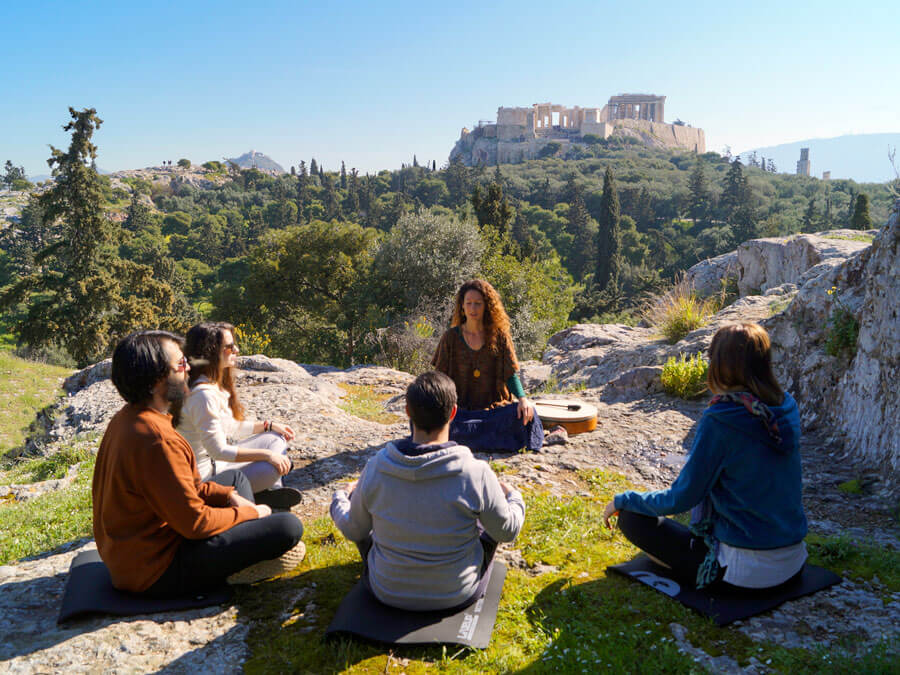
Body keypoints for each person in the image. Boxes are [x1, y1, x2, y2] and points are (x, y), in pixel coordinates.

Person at [92, 330, 305, 596]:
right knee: (288, 527)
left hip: (137, 553)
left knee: (234, 482)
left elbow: (188, 487)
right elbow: (195, 524)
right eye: (181, 364)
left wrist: (229, 498)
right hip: (156, 569)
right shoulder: (157, 440)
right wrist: (253, 512)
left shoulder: (130, 418)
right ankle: (243, 558)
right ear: (157, 379)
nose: (189, 369)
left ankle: (246, 544)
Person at [603, 323, 808, 590]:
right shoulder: (786, 406)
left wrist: (624, 499)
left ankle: (702, 569)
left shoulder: (722, 419)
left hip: (745, 572)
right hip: (793, 560)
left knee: (631, 518)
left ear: (719, 366)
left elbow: (683, 498)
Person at [330, 370, 525, 611]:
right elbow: (507, 531)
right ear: (454, 412)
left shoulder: (377, 467)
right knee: (488, 518)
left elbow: (353, 529)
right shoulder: (476, 473)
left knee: (364, 512)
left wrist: (341, 497)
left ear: (407, 411)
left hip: (386, 589)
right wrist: (513, 497)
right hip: (456, 592)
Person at [172, 322, 301, 508]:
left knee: (276, 439)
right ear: (211, 352)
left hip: (219, 467)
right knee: (272, 466)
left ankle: (269, 493)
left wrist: (268, 425)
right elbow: (219, 451)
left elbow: (231, 428)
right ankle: (262, 495)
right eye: (230, 347)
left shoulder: (208, 385)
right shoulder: (203, 395)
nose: (237, 350)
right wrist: (266, 456)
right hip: (208, 480)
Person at [431, 279, 542, 451]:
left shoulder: (500, 336)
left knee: (527, 414)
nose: (473, 309)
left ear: (487, 306)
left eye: (478, 304)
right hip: (459, 412)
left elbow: (510, 374)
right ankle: (491, 439)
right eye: (469, 303)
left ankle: (466, 439)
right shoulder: (450, 337)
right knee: (431, 419)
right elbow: (439, 378)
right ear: (462, 306)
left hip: (493, 412)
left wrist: (522, 399)